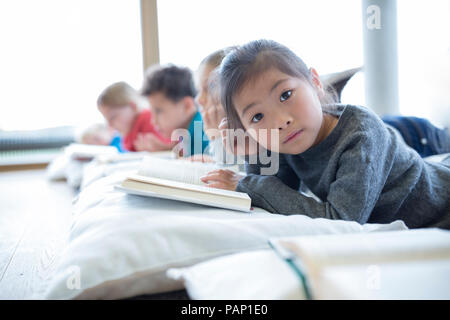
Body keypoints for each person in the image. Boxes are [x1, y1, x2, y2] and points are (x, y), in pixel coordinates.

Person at [201, 39, 450, 229]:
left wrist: (246, 182)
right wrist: (256, 154)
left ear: (315, 83)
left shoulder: (360, 135)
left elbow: (341, 220)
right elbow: (279, 196)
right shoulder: (286, 139)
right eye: (257, 117)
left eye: (286, 95)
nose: (280, 121)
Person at [141, 64, 209, 157]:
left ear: (187, 106)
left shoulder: (201, 132)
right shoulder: (188, 132)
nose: (153, 122)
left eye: (159, 111)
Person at [97, 81, 173, 152]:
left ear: (133, 106)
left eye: (113, 117)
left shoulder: (148, 120)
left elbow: (172, 148)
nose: (109, 124)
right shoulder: (129, 131)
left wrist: (161, 148)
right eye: (106, 119)